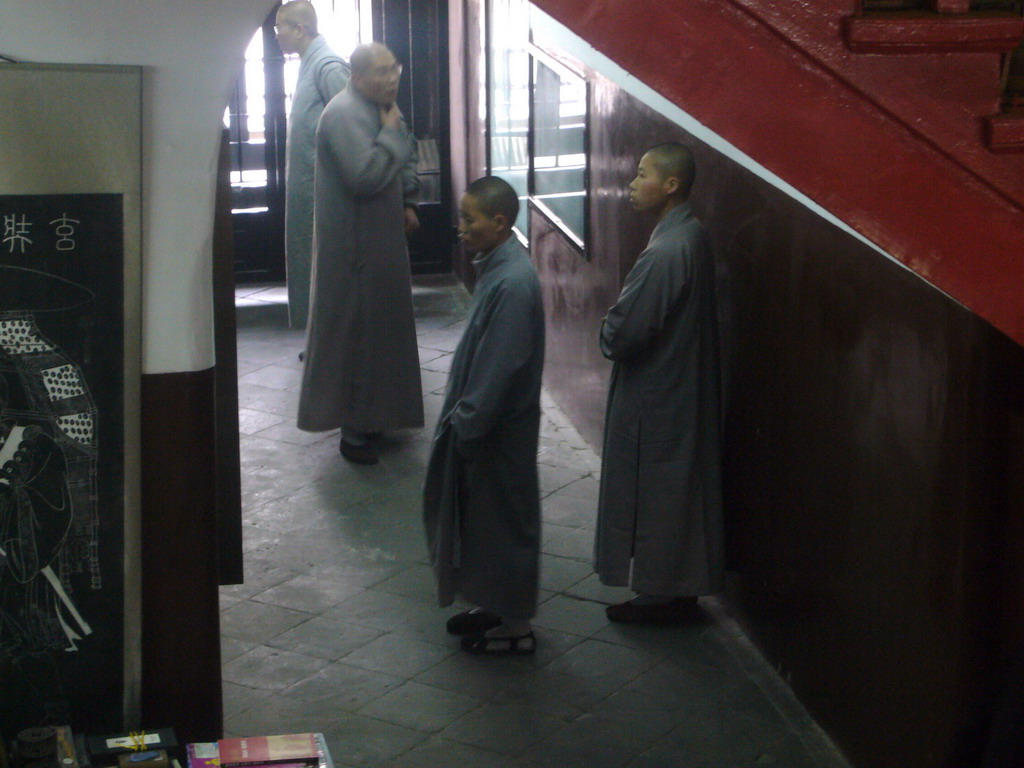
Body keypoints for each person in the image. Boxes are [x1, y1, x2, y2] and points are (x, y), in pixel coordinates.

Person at [593, 142, 724, 623]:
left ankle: (662, 594)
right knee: (678, 489)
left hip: (659, 393)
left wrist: (607, 327)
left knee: (658, 493)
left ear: (671, 185)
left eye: (642, 173)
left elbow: (623, 333)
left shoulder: (667, 251)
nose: (631, 182)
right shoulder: (692, 235)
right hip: (679, 385)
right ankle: (677, 587)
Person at [423, 176, 545, 656]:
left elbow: (500, 364)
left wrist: (469, 422)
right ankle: (492, 604)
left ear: (499, 222)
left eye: (469, 219)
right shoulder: (498, 268)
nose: (461, 228)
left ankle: (516, 626)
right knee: (486, 523)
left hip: (498, 431)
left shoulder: (513, 283)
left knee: (506, 523)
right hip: (484, 426)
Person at [297, 43, 422, 465]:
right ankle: (354, 432)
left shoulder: (385, 105)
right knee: (356, 337)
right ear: (357, 76)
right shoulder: (343, 113)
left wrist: (408, 200)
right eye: (381, 72)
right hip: (352, 250)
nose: (392, 78)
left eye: (395, 68)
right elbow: (364, 177)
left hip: (381, 241)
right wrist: (389, 135)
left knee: (385, 332)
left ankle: (380, 417)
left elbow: (406, 153)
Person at [274, 0, 351, 330]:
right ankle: (321, 338)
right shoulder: (310, 62)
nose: (276, 37)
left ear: (299, 29)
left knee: (328, 266)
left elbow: (354, 124)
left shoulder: (328, 66)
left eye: (280, 30)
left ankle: (334, 340)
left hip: (327, 190)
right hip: (313, 187)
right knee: (314, 263)